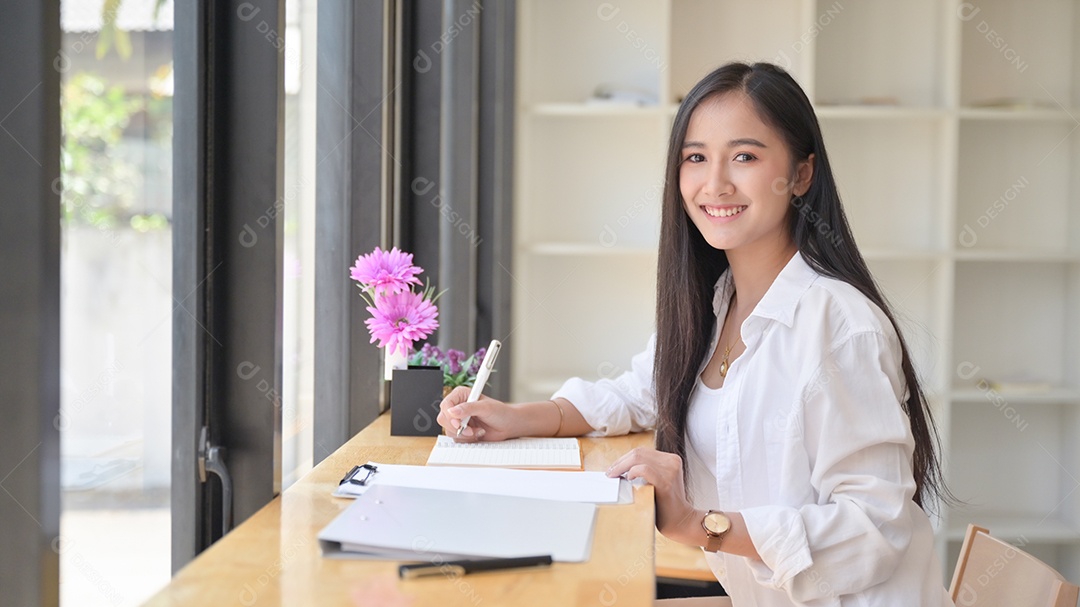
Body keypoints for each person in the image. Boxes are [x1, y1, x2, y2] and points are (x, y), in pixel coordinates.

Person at [437, 62, 953, 606]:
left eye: (745, 157)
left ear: (801, 175)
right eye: (696, 158)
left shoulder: (839, 325)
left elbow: (874, 531)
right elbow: (642, 391)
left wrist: (696, 524)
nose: (715, 184)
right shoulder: (720, 299)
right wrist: (517, 417)